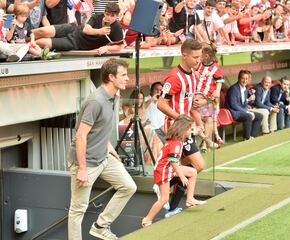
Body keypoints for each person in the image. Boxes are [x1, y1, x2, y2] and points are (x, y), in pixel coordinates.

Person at [67, 58, 137, 240]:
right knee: (77, 210)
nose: (127, 78)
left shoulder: (114, 97)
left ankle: (100, 226)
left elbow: (99, 128)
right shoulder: (95, 101)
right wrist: (82, 169)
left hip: (103, 157)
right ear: (111, 77)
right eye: (123, 75)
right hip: (86, 162)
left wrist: (109, 148)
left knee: (129, 186)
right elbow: (80, 135)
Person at [157, 39, 206, 217]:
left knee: (187, 167)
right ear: (184, 55)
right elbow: (161, 104)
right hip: (176, 130)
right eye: (195, 57)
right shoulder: (174, 78)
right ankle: (163, 183)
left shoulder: (192, 74)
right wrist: (180, 117)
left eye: (200, 56)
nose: (198, 60)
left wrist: (198, 104)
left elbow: (189, 101)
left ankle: (172, 206)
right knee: (198, 165)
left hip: (185, 129)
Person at [141, 115, 206, 227]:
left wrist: (197, 130)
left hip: (167, 167)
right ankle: (147, 219)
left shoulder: (176, 139)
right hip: (164, 170)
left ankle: (190, 199)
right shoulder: (176, 143)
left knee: (193, 172)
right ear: (183, 129)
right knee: (164, 198)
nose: (191, 132)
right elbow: (173, 161)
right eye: (190, 129)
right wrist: (181, 176)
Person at [34, 2, 123, 54]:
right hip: (73, 28)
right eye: (107, 14)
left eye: (112, 16)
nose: (109, 18)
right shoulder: (97, 17)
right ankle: (22, 38)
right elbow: (86, 30)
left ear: (117, 16)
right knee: (42, 31)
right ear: (104, 12)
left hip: (76, 43)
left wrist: (107, 48)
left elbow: (119, 46)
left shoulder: (117, 27)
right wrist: (100, 31)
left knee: (41, 42)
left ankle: (24, 45)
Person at [193, 43, 223, 152]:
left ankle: (205, 144)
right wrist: (195, 73)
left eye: (199, 55)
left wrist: (217, 90)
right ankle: (206, 142)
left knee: (209, 119)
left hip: (207, 96)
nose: (197, 57)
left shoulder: (215, 68)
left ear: (206, 56)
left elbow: (219, 80)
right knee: (205, 118)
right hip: (197, 95)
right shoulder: (198, 65)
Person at [224, 69, 262, 140]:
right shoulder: (233, 89)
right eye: (243, 78)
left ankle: (253, 136)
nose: (245, 81)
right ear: (239, 78)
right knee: (248, 116)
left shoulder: (245, 89)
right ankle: (246, 138)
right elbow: (233, 105)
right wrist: (246, 111)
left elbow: (244, 103)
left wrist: (249, 100)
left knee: (259, 116)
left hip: (242, 110)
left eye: (246, 79)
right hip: (234, 112)